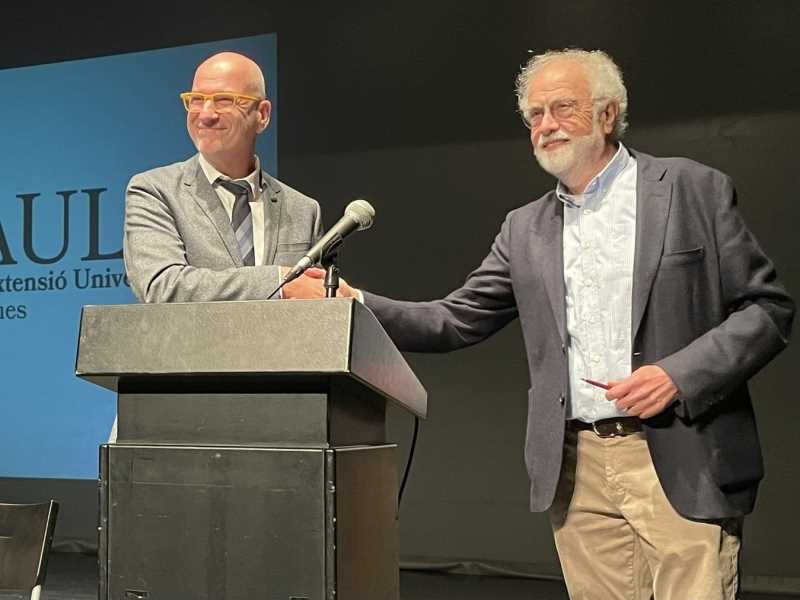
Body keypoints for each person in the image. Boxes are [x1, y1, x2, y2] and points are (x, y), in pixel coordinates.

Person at [339, 49, 795, 599]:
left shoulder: (692, 189)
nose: (546, 125)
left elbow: (767, 310)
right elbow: (455, 320)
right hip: (577, 469)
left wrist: (680, 374)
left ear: (607, 114)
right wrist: (352, 300)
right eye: (535, 115)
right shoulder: (525, 228)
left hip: (680, 454)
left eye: (563, 108)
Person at [124, 51, 326, 303]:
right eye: (196, 99)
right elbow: (163, 286)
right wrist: (279, 283)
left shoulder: (303, 210)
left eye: (224, 100)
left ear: (262, 115)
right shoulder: (155, 191)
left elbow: (320, 309)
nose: (206, 114)